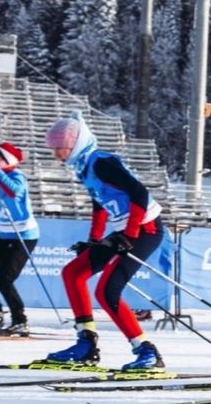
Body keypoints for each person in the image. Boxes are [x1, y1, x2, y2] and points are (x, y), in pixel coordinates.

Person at [41, 114, 165, 371]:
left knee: (107, 291)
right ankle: (86, 344)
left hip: (145, 229)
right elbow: (100, 203)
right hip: (126, 230)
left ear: (73, 143)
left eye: (59, 148)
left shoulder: (101, 162)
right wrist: (94, 240)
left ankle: (147, 351)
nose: (56, 154)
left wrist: (129, 235)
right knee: (73, 273)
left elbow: (139, 193)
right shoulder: (84, 165)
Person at [0, 143, 39, 335]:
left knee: (4, 279)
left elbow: (14, 191)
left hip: (24, 235)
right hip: (5, 234)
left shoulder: (17, 177)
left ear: (6, 160)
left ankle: (20, 320)